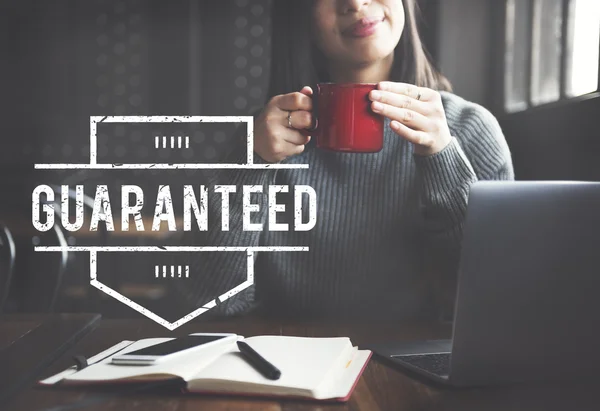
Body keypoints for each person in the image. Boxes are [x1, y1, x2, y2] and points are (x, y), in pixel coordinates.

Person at [181, 0, 514, 321]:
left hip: (417, 367)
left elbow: (498, 301)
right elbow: (210, 304)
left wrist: (443, 158)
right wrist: (248, 164)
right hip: (289, 365)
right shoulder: (262, 138)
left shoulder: (469, 130)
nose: (355, 3)